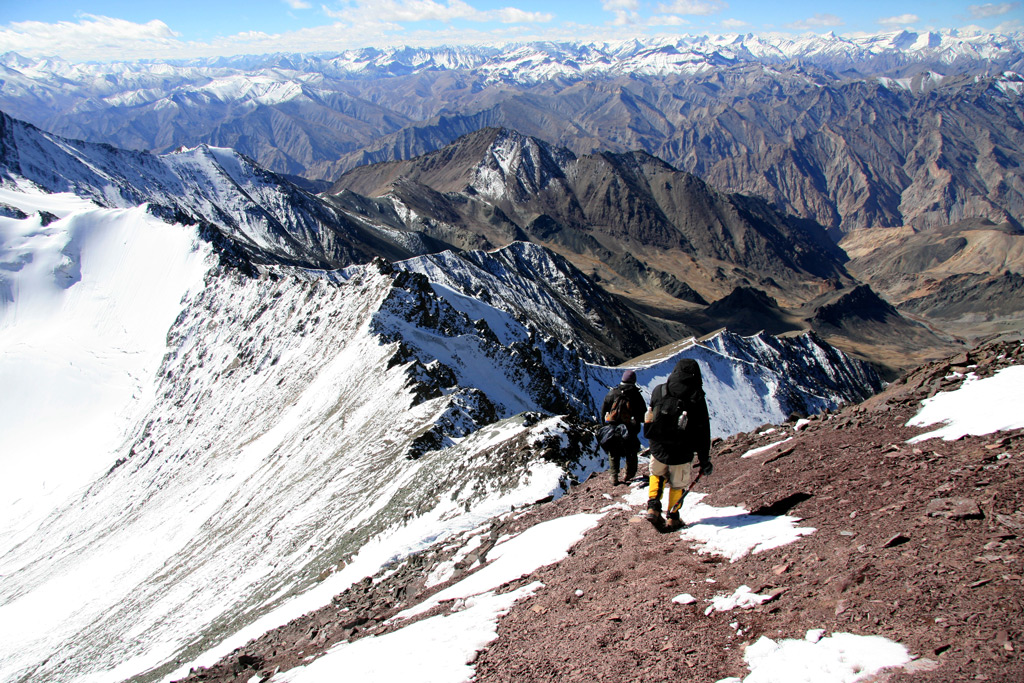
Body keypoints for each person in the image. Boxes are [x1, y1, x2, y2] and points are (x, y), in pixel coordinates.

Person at [643, 358, 712, 530]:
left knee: (656, 475)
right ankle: (673, 517)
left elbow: (651, 415)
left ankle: (653, 508)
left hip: (658, 447)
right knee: (677, 484)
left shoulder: (659, 390)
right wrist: (704, 460)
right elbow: (703, 431)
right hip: (682, 451)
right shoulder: (696, 397)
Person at [600, 369, 646, 486]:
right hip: (630, 429)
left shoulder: (613, 393)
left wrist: (605, 425)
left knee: (613, 452)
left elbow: (604, 410)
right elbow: (642, 414)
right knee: (631, 451)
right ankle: (629, 474)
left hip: (614, 428)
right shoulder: (636, 395)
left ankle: (614, 475)